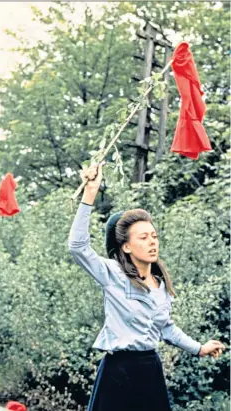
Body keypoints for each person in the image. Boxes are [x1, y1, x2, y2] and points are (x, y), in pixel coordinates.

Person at [68, 163, 225, 411]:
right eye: (143, 237)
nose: (152, 242)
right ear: (126, 247)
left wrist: (199, 348)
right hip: (117, 372)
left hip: (150, 370)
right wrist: (90, 193)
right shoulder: (113, 274)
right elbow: (78, 247)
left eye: (154, 236)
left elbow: (167, 329)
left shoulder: (160, 285)